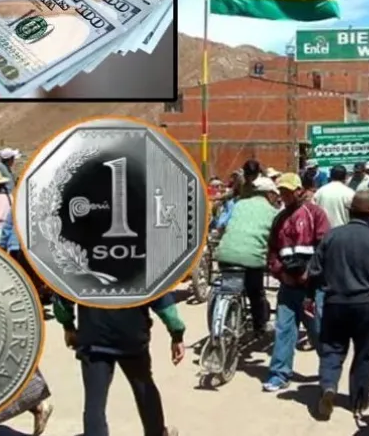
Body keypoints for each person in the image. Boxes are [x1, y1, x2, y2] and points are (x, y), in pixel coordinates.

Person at [307, 191, 369, 424]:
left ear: (350, 212)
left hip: (335, 303)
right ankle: (359, 402)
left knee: (332, 349)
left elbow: (313, 271)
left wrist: (310, 296)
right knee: (364, 354)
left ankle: (328, 386)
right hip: (365, 305)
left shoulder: (332, 237)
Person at [55, 293, 185, 436]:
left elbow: (62, 292)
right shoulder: (141, 269)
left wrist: (68, 325)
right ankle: (156, 432)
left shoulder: (80, 268)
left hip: (94, 338)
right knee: (144, 387)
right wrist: (176, 332)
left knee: (94, 403)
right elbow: (161, 297)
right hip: (132, 337)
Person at [263, 173, 331, 392]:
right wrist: (280, 272)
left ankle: (329, 373)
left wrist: (310, 273)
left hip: (312, 287)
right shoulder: (279, 219)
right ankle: (279, 374)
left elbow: (324, 249)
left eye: (287, 191)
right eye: (281, 191)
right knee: (284, 329)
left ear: (299, 191)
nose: (283, 195)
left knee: (318, 330)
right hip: (288, 285)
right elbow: (272, 251)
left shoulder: (315, 214)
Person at [213, 176, 280, 336]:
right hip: (252, 260)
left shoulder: (239, 204)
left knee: (230, 288)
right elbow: (275, 239)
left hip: (225, 255)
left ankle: (225, 314)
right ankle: (259, 327)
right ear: (269, 194)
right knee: (255, 293)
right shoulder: (273, 212)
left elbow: (224, 225)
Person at [313, 165, 355, 229]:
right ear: (345, 177)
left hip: (324, 233)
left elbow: (313, 211)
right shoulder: (350, 193)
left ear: (330, 176)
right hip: (343, 231)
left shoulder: (320, 192)